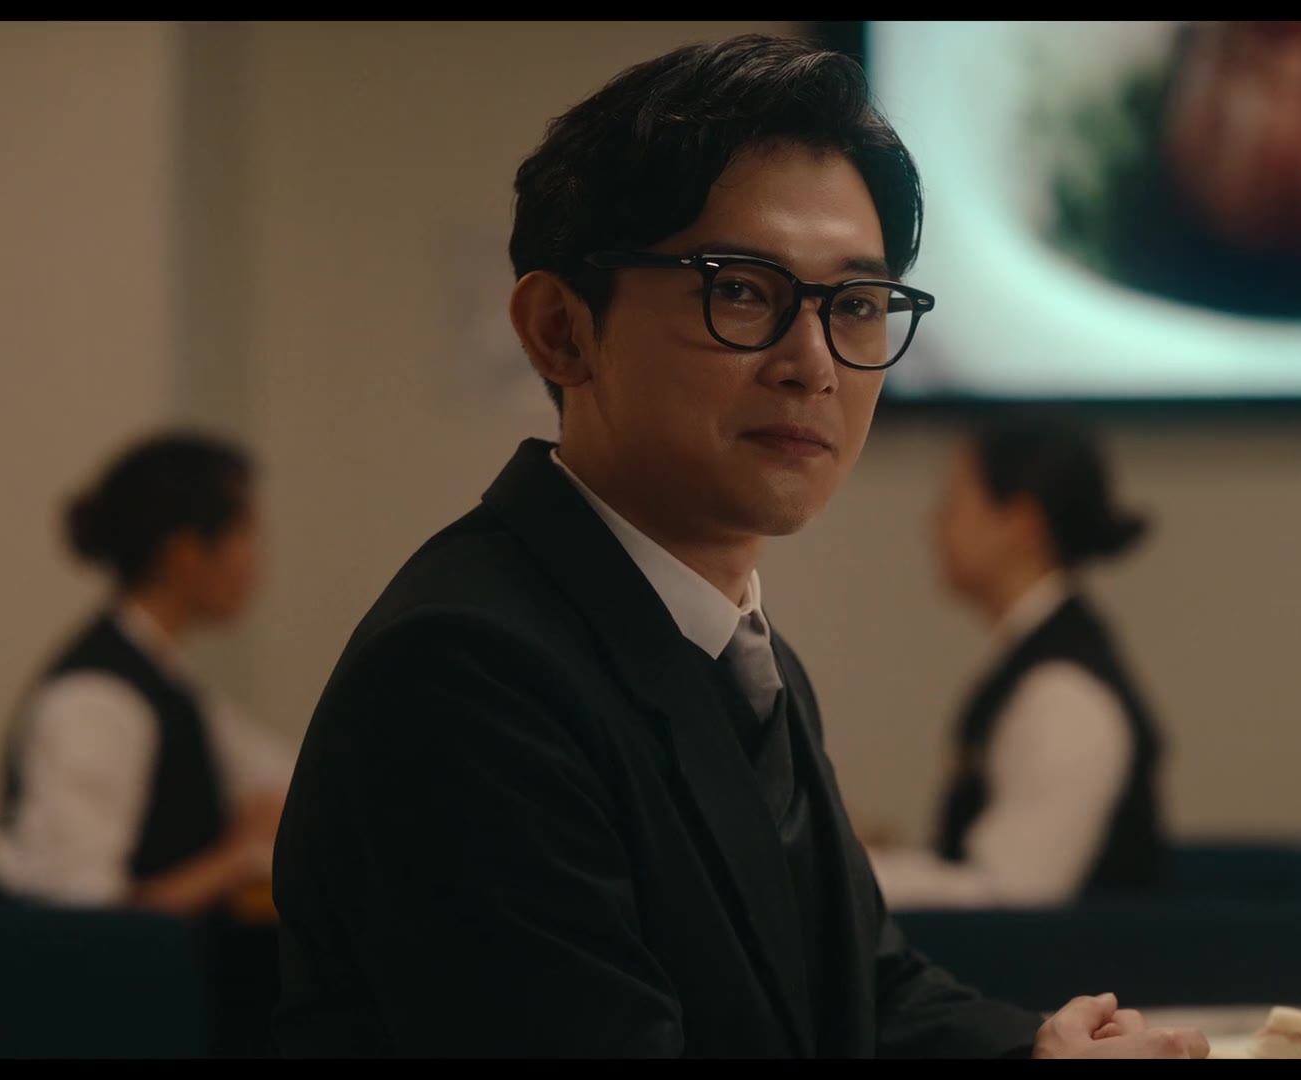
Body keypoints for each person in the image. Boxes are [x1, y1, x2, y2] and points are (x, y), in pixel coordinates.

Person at [270, 34, 1209, 1060]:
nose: (813, 363)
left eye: (856, 305)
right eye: (743, 291)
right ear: (560, 331)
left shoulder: (743, 654)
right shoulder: (468, 670)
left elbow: (867, 992)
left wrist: (1038, 1050)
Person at [0, 431, 294, 917]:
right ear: (185, 554)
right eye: (245, 534)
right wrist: (238, 856)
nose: (255, 560)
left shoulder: (165, 680)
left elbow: (282, 779)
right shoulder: (97, 696)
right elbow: (79, 915)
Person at [864, 417, 1166, 910]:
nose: (933, 524)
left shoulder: (1063, 692)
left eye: (953, 504)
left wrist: (842, 873)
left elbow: (1008, 897)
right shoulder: (1041, 663)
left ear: (1020, 524)